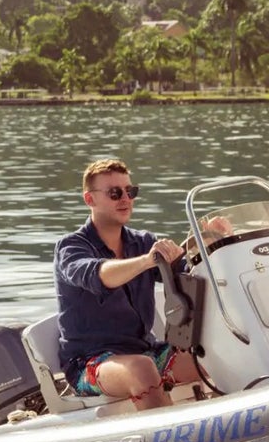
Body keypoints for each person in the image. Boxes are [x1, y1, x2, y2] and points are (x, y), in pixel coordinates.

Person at [53, 158, 205, 411]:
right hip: (91, 363)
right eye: (114, 193)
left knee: (206, 354)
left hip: (146, 350)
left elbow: (186, 275)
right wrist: (146, 261)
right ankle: (167, 440)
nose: (125, 198)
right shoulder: (71, 247)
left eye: (130, 191)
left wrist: (209, 243)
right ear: (90, 200)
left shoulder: (142, 241)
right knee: (141, 368)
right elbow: (99, 274)